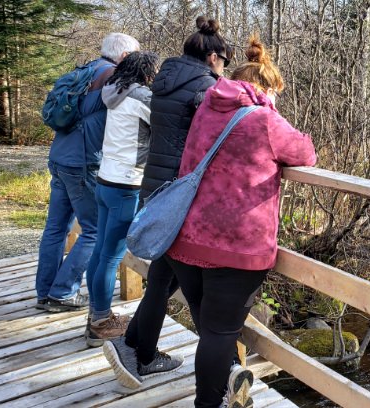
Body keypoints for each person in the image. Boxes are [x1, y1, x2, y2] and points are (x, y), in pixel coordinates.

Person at [170, 34, 315, 408]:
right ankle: (209, 402)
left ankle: (225, 388)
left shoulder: (207, 107)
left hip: (186, 237)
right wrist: (274, 113)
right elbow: (305, 152)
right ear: (266, 88)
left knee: (210, 327)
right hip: (236, 246)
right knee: (220, 332)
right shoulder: (265, 119)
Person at [102, 16, 232, 387]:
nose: (224, 67)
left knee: (164, 274)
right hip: (183, 192)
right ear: (213, 57)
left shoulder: (163, 80)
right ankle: (143, 356)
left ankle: (133, 343)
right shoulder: (205, 89)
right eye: (224, 60)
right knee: (164, 279)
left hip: (156, 185)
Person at [37, 33, 141, 313]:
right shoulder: (112, 78)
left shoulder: (83, 71)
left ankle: (45, 291)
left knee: (56, 228)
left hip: (60, 156)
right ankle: (62, 292)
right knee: (94, 230)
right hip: (83, 162)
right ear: (123, 56)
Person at [84, 51, 160, 347]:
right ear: (146, 72)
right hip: (127, 183)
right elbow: (164, 122)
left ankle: (96, 316)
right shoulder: (140, 97)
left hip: (106, 179)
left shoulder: (113, 91)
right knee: (111, 256)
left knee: (100, 251)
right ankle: (101, 323)